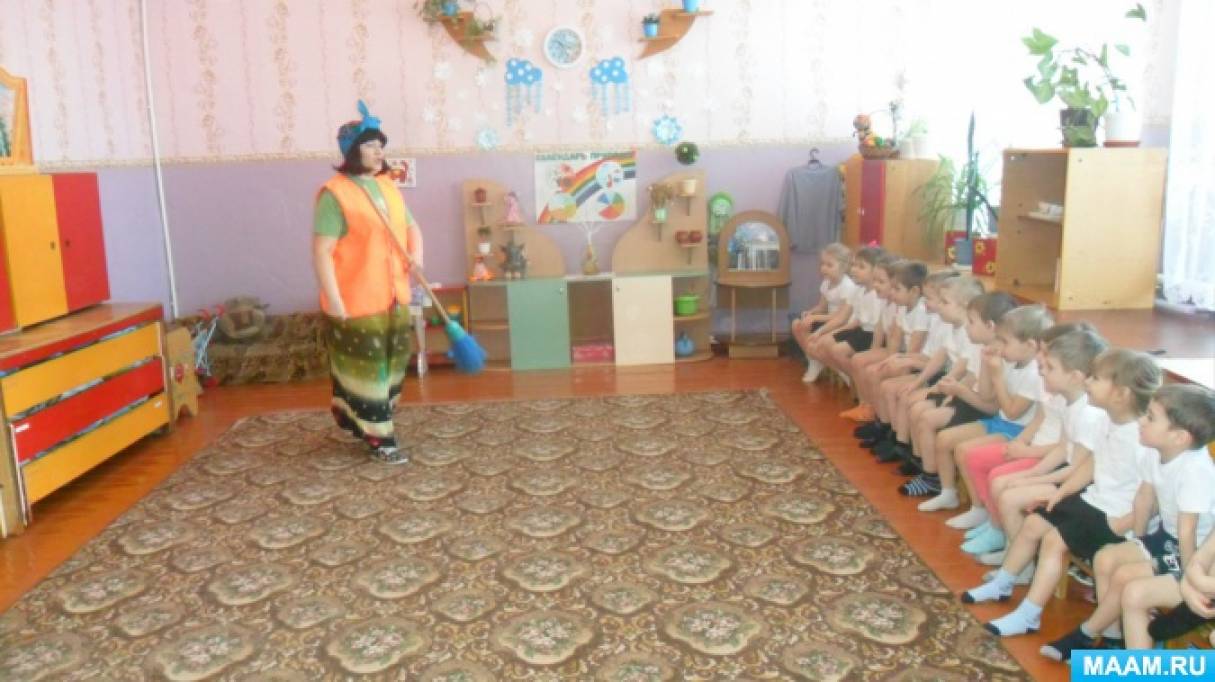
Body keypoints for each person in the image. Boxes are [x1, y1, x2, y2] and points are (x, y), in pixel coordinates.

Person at [963, 349, 1162, 640]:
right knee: (1034, 523)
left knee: (1054, 540)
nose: (1088, 382)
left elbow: (1150, 499)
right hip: (1094, 499)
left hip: (1117, 515)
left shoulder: (1142, 439)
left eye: (1096, 378)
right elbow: (1092, 462)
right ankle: (1003, 582)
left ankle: (1029, 614)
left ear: (1121, 394)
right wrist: (1063, 494)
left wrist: (1125, 527)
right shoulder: (1107, 419)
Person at [1041, 383, 1215, 660]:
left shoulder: (1195, 470)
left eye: (1151, 417)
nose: (1141, 421)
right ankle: (1113, 640)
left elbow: (1188, 531)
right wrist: (1138, 540)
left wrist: (1185, 577)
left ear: (1179, 437)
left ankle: (1086, 634)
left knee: (1126, 578)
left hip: (1192, 548)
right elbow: (1144, 499)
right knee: (1105, 558)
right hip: (1167, 537)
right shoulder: (1155, 451)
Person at [312, 100, 424, 464]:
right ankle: (381, 437)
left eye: (381, 145)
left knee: (392, 364)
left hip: (394, 293)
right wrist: (334, 298)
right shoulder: (334, 194)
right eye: (371, 145)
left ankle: (352, 410)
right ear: (352, 151)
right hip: (356, 297)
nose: (379, 152)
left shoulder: (387, 186)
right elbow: (322, 251)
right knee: (370, 368)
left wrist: (417, 258)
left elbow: (411, 227)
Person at [793, 242, 857, 382]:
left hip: (842, 324)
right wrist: (810, 313)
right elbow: (822, 307)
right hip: (829, 320)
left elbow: (841, 317)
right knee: (797, 325)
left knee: (816, 341)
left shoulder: (848, 286)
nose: (824, 268)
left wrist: (816, 318)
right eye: (822, 264)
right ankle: (814, 361)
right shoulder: (826, 283)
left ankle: (840, 369)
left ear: (843, 266)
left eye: (829, 265)